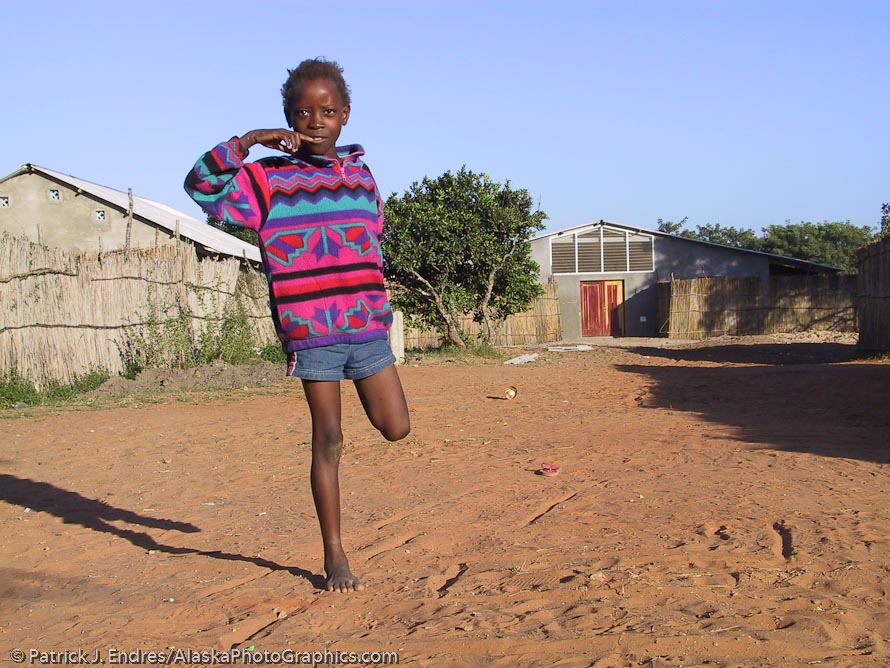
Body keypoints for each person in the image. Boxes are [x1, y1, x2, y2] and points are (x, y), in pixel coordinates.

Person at [184, 57, 410, 593]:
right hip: (312, 334)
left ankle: (335, 544)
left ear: (345, 115)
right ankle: (334, 554)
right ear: (288, 117)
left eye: (327, 111)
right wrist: (248, 141)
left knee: (396, 427)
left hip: (367, 330)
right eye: (303, 111)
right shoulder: (265, 181)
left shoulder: (361, 174)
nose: (315, 121)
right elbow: (200, 186)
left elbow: (371, 238)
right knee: (328, 439)